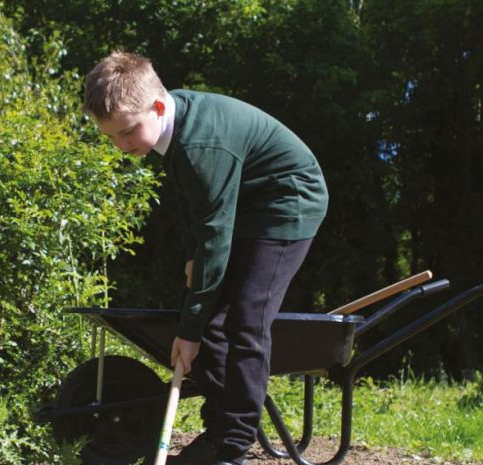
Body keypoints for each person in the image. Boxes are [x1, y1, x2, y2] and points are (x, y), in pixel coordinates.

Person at [83, 51, 328, 465]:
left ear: (158, 107)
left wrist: (189, 328)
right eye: (110, 136)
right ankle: (220, 426)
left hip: (288, 202)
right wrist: (195, 260)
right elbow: (197, 210)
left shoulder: (200, 144)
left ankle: (231, 443)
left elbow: (214, 227)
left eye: (126, 132)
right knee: (211, 318)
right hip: (244, 207)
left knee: (247, 318)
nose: (121, 145)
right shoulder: (173, 128)